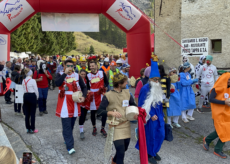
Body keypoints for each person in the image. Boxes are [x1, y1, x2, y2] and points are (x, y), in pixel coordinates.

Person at [97, 73, 137, 164]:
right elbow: (99, 111)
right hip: (115, 126)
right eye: (125, 82)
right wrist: (111, 112)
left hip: (126, 125)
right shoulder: (108, 95)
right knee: (121, 151)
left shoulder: (127, 93)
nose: (127, 83)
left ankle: (114, 161)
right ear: (119, 84)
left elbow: (134, 105)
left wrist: (135, 113)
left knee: (125, 148)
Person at [135, 59, 165, 164]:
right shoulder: (145, 89)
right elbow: (141, 105)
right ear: (150, 79)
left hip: (159, 114)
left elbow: (160, 103)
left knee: (161, 134)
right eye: (154, 79)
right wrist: (150, 115)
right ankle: (149, 154)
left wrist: (163, 115)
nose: (157, 82)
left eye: (158, 79)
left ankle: (155, 150)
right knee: (151, 135)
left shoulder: (158, 88)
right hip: (150, 116)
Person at [55, 60, 87, 154]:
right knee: (67, 125)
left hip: (75, 102)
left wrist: (84, 96)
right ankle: (70, 147)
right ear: (64, 66)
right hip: (64, 103)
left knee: (71, 124)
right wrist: (65, 74)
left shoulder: (77, 75)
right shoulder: (60, 74)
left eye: (71, 66)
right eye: (68, 65)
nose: (70, 67)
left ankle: (66, 137)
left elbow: (84, 87)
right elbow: (57, 83)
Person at [203, 73, 230, 159]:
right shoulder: (217, 88)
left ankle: (216, 147)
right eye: (228, 80)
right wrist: (224, 102)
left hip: (227, 113)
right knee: (221, 130)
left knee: (227, 130)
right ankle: (210, 142)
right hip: (218, 113)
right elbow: (211, 99)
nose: (229, 82)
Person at [85, 56, 109, 138]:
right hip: (93, 96)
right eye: (90, 66)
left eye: (93, 65)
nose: (91, 67)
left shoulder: (102, 73)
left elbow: (107, 82)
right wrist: (88, 90)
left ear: (96, 66)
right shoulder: (88, 75)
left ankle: (102, 128)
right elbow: (87, 86)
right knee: (92, 113)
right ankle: (94, 127)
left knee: (104, 113)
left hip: (101, 95)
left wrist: (105, 87)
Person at [23, 68, 39, 134]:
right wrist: (37, 97)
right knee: (32, 113)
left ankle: (27, 128)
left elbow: (23, 89)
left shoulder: (23, 80)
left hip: (25, 95)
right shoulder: (33, 80)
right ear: (31, 74)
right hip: (32, 95)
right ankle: (32, 128)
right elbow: (36, 90)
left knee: (27, 114)